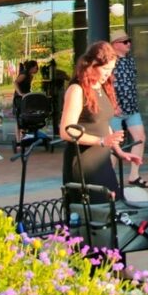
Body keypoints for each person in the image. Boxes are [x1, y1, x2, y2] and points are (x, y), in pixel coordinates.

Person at [58, 41, 140, 195]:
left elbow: (103, 124)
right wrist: (100, 141)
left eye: (111, 69)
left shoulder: (102, 87)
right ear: (92, 65)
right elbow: (66, 131)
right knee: (95, 207)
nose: (108, 74)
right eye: (105, 69)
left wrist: (119, 151)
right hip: (84, 164)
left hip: (102, 161)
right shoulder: (77, 89)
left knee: (112, 203)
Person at [109, 30, 148, 188]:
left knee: (140, 138)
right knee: (115, 143)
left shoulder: (130, 60)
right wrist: (113, 104)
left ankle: (134, 175)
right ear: (115, 44)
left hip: (132, 107)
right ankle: (109, 178)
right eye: (125, 42)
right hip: (114, 110)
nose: (129, 44)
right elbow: (105, 84)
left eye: (129, 41)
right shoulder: (108, 61)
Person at [13, 59, 39, 150]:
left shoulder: (30, 76)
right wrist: (20, 93)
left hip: (26, 97)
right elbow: (15, 82)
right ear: (32, 67)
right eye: (36, 68)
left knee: (25, 117)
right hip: (20, 98)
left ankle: (23, 138)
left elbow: (28, 87)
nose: (37, 70)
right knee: (19, 118)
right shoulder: (24, 74)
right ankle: (18, 141)